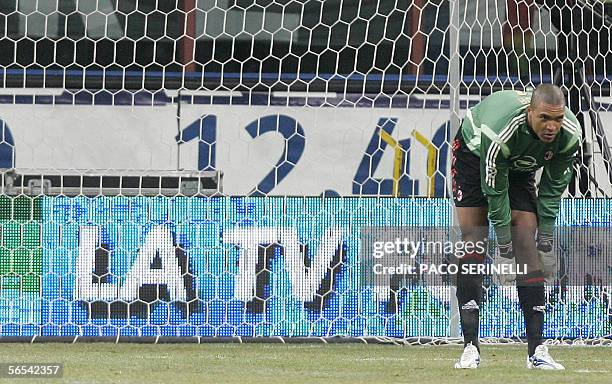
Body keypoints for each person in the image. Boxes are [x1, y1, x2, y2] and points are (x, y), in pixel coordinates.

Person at [450, 84, 581, 369]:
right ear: (529, 112)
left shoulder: (570, 136)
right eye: (544, 118)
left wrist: (545, 242)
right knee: (475, 237)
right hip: (476, 153)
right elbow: (495, 193)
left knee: (527, 238)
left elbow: (551, 191)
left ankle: (537, 350)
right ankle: (470, 347)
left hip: (520, 164)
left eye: (557, 119)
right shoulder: (501, 132)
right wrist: (504, 250)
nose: (552, 127)